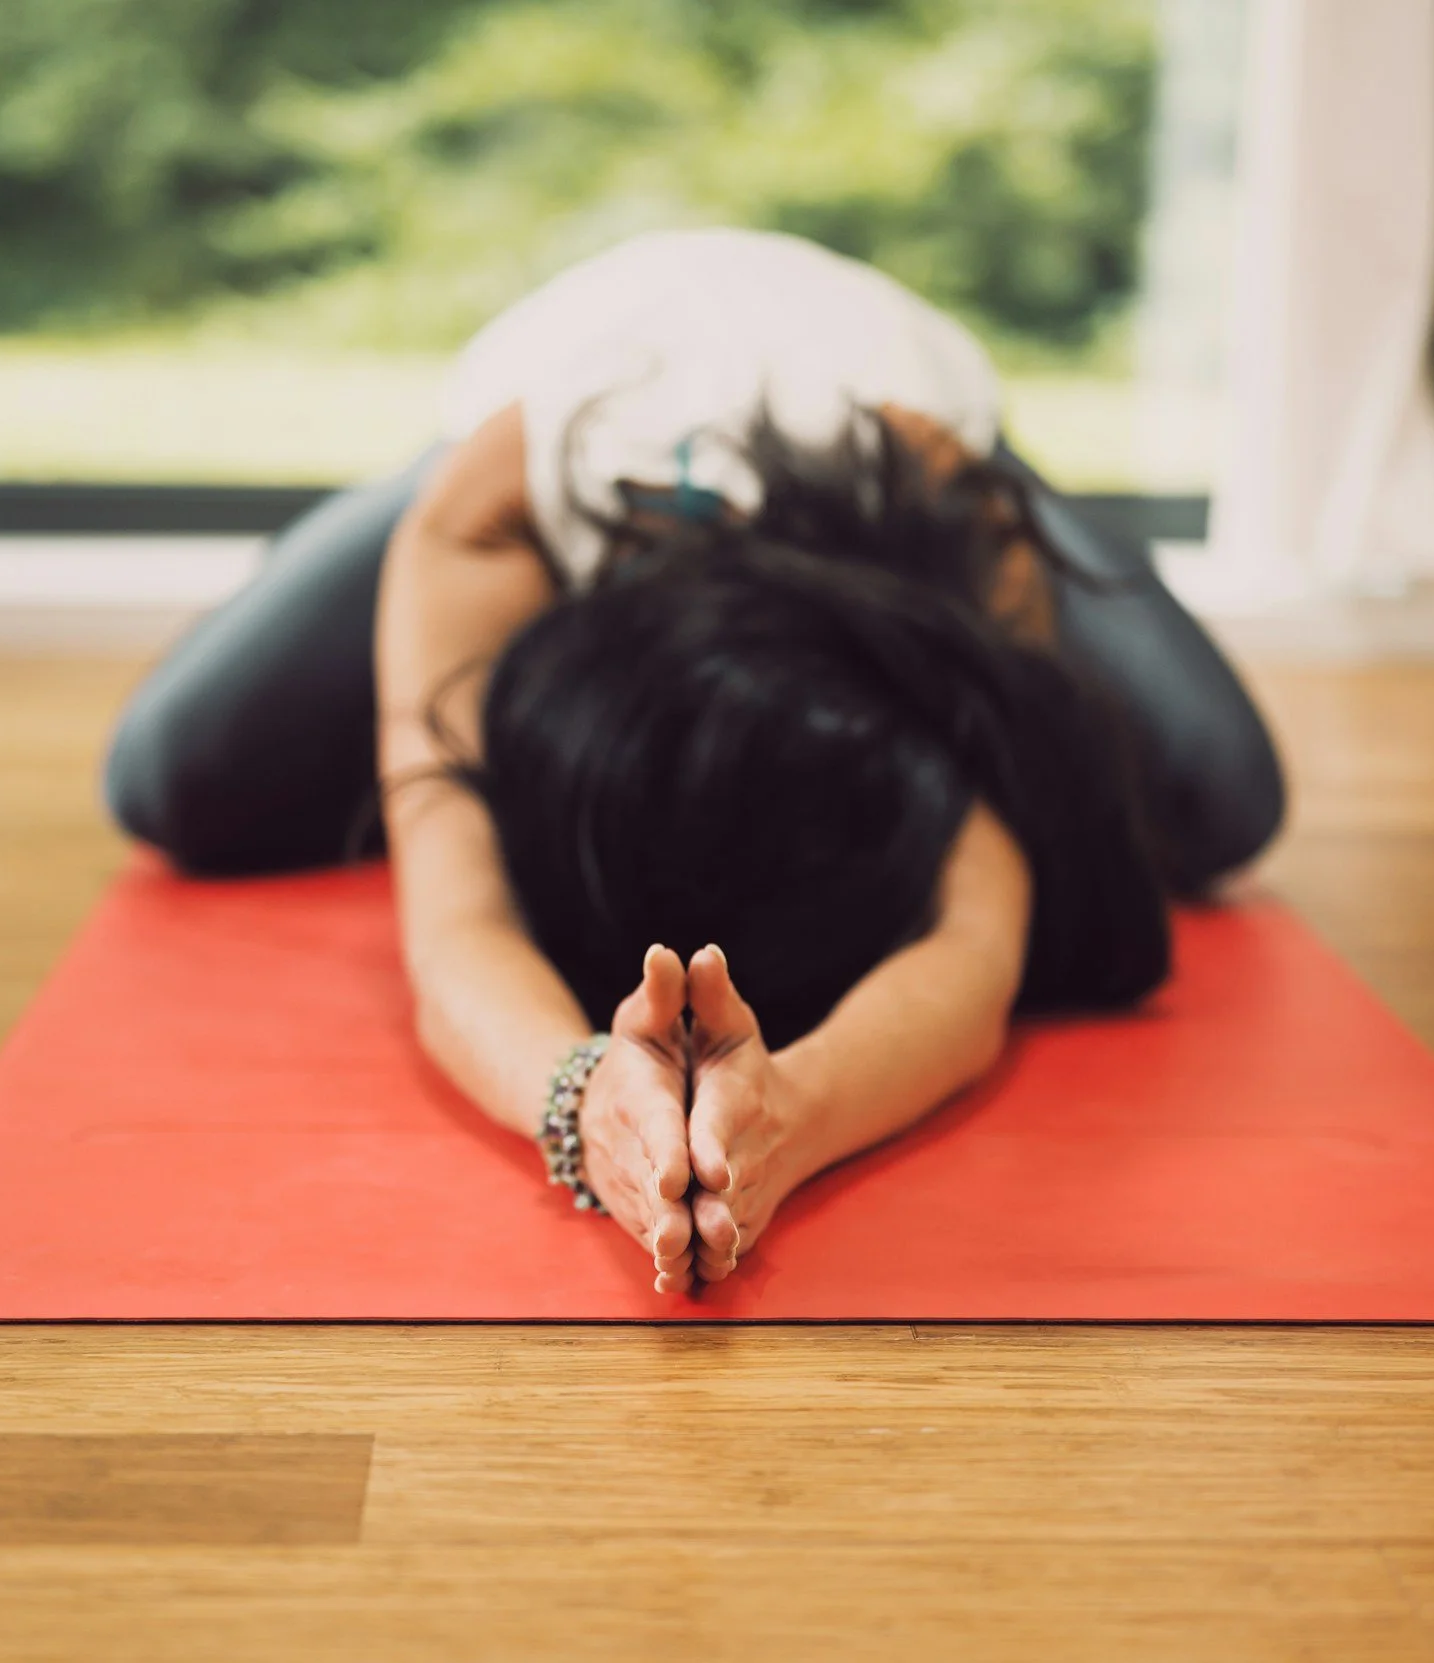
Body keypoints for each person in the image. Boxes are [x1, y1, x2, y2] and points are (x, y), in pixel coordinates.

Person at [103, 228, 1284, 1294]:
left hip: (902, 395)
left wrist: (787, 1120)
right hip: (552, 372)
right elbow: (453, 920)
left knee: (1222, 800)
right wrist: (582, 1102)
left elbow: (979, 938)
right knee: (168, 779)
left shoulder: (947, 532)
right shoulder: (493, 513)